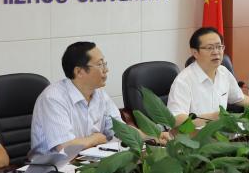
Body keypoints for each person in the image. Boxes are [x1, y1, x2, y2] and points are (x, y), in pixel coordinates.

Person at [31, 41, 167, 155]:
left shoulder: (100, 94)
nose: (106, 69)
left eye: (104, 64)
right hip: (52, 170)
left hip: (88, 162)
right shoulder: (53, 99)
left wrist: (153, 137)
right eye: (100, 64)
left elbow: (121, 130)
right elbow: (65, 147)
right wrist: (95, 139)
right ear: (79, 71)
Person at [167, 27, 249, 124]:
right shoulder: (183, 81)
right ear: (195, 52)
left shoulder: (223, 72)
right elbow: (176, 119)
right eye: (210, 48)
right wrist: (211, 117)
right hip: (196, 135)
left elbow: (238, 98)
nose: (216, 52)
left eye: (219, 47)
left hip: (221, 132)